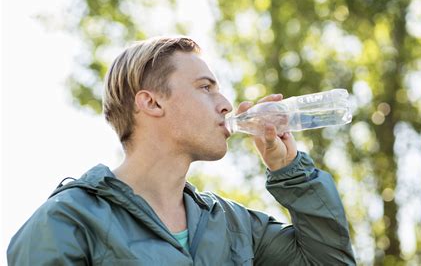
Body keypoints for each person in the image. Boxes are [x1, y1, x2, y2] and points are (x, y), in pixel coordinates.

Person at [7, 36, 356, 265]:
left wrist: (289, 170)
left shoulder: (234, 226)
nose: (226, 104)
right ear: (153, 102)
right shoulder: (68, 221)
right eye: (206, 88)